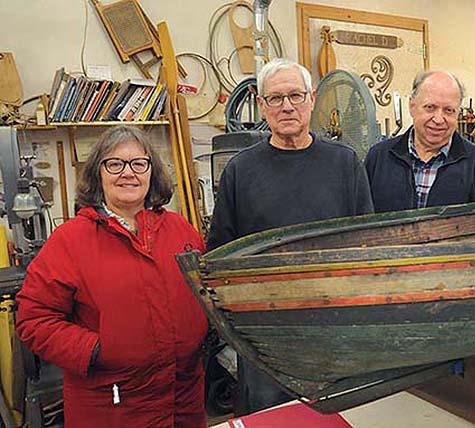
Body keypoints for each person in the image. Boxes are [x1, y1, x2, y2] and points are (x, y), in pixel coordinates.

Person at [206, 58, 374, 414]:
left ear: (312, 99)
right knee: (271, 417)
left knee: (334, 415)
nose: (286, 106)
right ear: (262, 105)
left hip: (334, 328)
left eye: (295, 95)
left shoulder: (344, 163)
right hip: (266, 334)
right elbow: (220, 255)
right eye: (275, 98)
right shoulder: (240, 170)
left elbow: (366, 246)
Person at [16, 126, 208, 427]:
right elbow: (34, 320)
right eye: (114, 163)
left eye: (138, 163)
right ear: (98, 174)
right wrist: (96, 350)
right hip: (113, 404)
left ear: (151, 172)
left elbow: (206, 292)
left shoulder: (181, 230)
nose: (127, 173)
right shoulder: (70, 240)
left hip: (183, 397)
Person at [364, 70, 475, 213]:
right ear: (412, 106)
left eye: (448, 110)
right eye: (430, 108)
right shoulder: (378, 157)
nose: (438, 119)